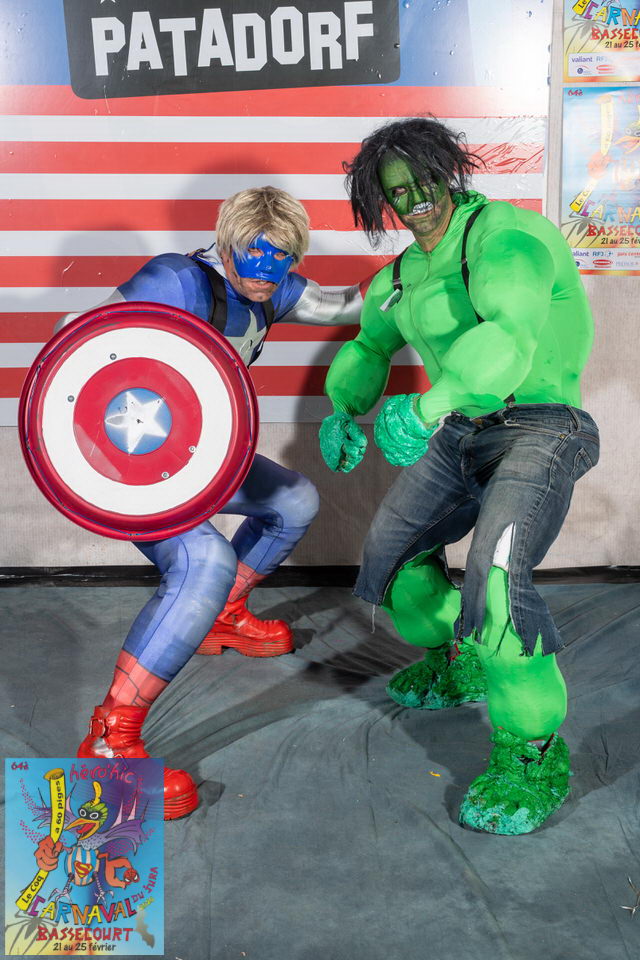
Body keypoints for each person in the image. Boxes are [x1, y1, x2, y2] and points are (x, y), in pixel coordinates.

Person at [319, 118, 600, 835]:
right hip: (460, 433)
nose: (415, 199)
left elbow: (509, 337)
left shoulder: (505, 238)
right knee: (394, 563)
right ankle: (460, 660)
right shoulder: (402, 274)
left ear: (451, 171)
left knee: (497, 585)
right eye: (397, 191)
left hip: (542, 423)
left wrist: (427, 405)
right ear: (381, 200)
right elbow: (369, 345)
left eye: (425, 181)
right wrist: (343, 410)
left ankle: (532, 756)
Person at [57, 186, 366, 820]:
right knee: (205, 561)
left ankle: (221, 617)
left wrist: (422, 267)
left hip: (203, 458)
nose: (266, 269)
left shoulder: (274, 289)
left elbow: (345, 303)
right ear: (226, 244)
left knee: (295, 501)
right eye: (253, 252)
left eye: (281, 255)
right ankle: (108, 742)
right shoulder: (176, 281)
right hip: (135, 469)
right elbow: (75, 342)